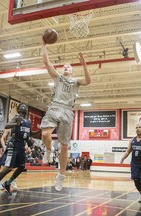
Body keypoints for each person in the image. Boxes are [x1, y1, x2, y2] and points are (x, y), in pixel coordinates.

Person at [40, 41, 91, 191]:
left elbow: (88, 81)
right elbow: (46, 62)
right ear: (62, 70)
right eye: (65, 66)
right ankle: (48, 150)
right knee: (45, 133)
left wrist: (84, 64)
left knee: (64, 146)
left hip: (68, 111)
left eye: (69, 66)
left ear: (73, 71)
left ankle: (61, 176)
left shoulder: (76, 81)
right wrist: (44, 45)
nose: (67, 67)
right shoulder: (58, 78)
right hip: (55, 107)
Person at [0, 103, 39, 202]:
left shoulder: (28, 121)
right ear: (19, 110)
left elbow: (30, 133)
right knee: (8, 167)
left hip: (21, 146)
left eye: (25, 106)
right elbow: (6, 125)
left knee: (22, 167)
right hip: (13, 145)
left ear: (27, 110)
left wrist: (40, 130)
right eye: (22, 106)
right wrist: (16, 124)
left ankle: (8, 183)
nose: (24, 107)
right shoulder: (16, 117)